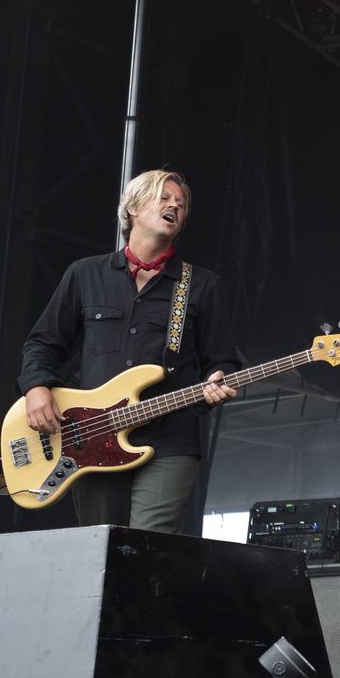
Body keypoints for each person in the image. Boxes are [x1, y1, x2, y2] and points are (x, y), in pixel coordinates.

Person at [18, 169, 239, 533]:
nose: (174, 206)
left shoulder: (200, 285)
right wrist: (37, 388)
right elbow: (43, 342)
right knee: (99, 547)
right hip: (90, 438)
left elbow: (221, 360)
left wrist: (217, 381)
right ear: (133, 207)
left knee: (147, 546)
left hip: (170, 440)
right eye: (164, 198)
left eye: (181, 205)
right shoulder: (85, 274)